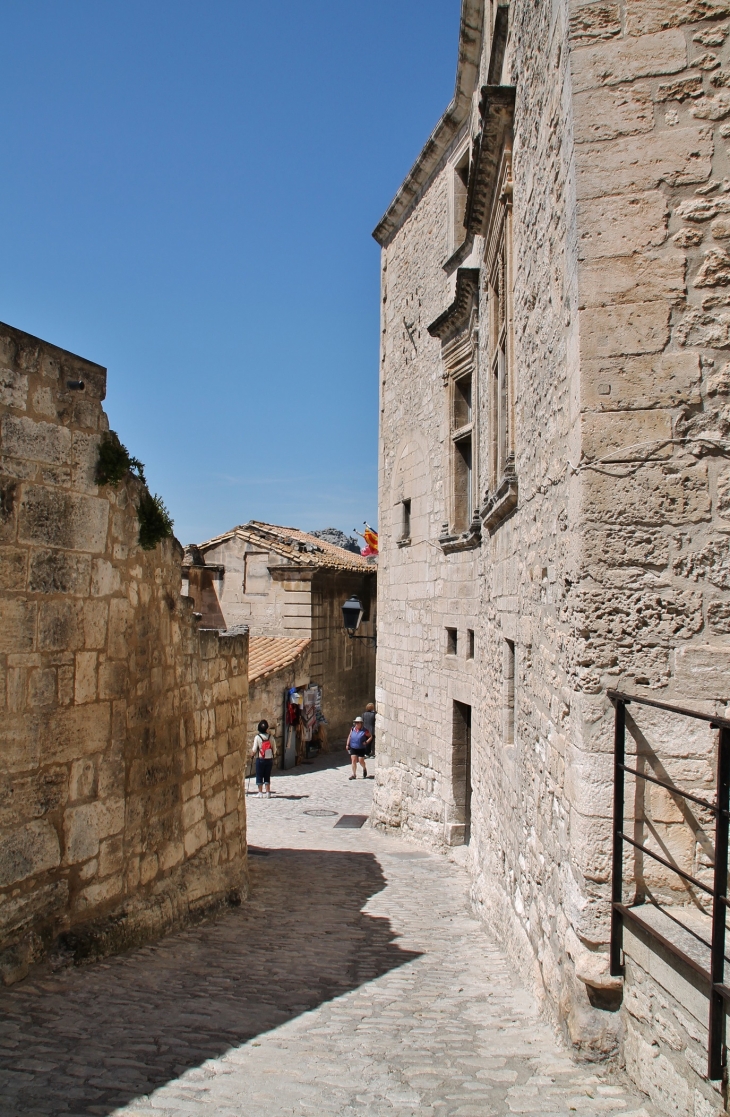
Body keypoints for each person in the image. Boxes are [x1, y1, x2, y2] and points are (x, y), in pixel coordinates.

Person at [251, 720, 275, 797]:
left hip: (261, 759)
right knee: (267, 775)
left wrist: (252, 755)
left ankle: (260, 792)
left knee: (259, 775)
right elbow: (274, 749)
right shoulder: (271, 737)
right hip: (269, 759)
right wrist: (272, 755)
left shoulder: (257, 737)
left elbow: (254, 749)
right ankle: (268, 792)